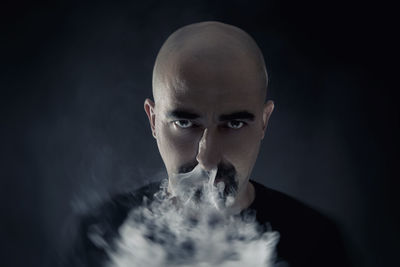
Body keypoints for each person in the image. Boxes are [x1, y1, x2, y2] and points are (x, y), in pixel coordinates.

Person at [64, 21, 351, 267]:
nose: (208, 158)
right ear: (153, 121)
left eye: (234, 124)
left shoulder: (317, 242)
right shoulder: (102, 235)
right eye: (185, 123)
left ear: (264, 122)